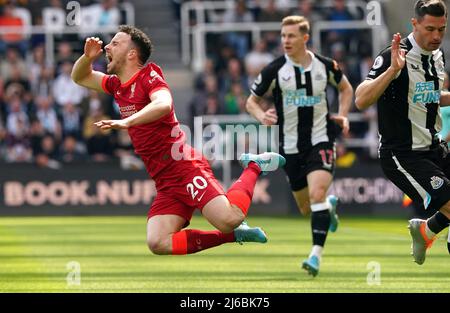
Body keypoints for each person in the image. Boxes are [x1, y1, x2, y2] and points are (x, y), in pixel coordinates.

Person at [71, 25, 286, 255]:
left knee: (230, 217)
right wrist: (86, 57)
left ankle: (254, 165)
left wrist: (128, 122)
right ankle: (233, 236)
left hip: (183, 165)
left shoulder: (149, 75)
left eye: (115, 43)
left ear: (132, 53)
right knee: (158, 242)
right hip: (164, 178)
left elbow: (163, 104)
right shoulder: (117, 86)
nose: (107, 47)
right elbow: (80, 76)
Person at [246, 16, 353, 276]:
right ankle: (328, 207)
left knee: (316, 195)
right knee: (307, 207)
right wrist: (262, 117)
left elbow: (346, 88)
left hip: (321, 138)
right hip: (290, 146)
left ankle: (315, 256)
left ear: (305, 38)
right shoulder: (274, 70)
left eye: (291, 36)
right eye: (283, 36)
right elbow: (251, 101)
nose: (285, 41)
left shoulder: (325, 66)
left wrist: (344, 114)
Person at [355, 0, 450, 262]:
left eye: (441, 29)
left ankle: (426, 229)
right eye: (430, 29)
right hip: (403, 155)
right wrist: (392, 71)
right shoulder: (393, 55)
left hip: (435, 148)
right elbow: (361, 99)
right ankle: (428, 230)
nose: (436, 36)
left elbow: (428, 95)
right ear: (415, 23)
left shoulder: (437, 56)